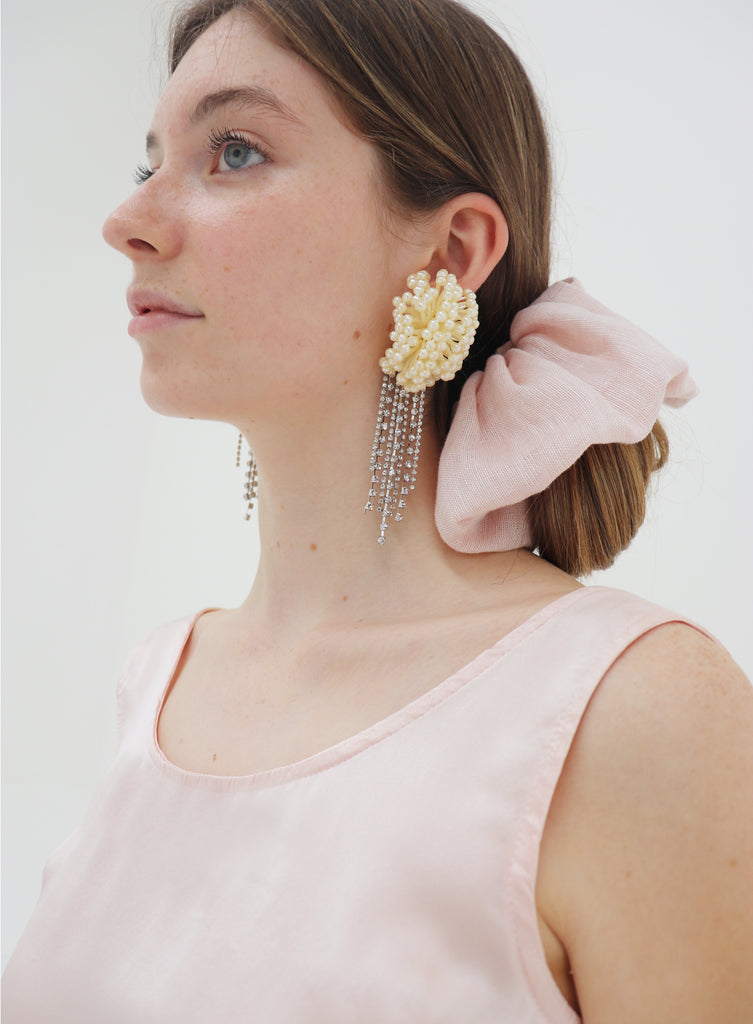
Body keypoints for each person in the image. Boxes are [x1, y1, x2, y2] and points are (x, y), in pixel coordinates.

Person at [3, 0, 752, 1020]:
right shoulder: (158, 677)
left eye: (233, 151)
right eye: (148, 162)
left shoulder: (636, 709)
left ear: (450, 251)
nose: (127, 219)